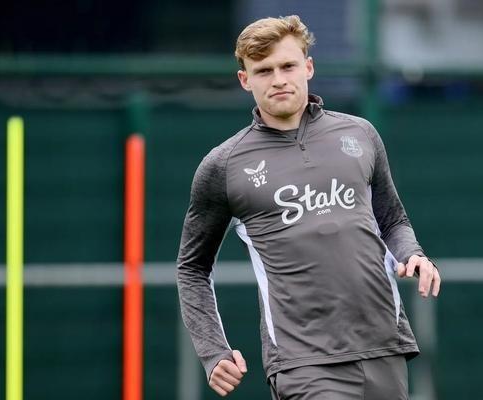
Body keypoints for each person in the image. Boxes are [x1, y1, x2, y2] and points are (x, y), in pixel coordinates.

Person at [177, 15, 441, 399]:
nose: (278, 79)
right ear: (245, 80)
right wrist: (212, 350)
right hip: (302, 363)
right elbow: (192, 268)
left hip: (385, 346)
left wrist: (412, 253)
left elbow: (392, 219)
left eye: (288, 66)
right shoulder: (223, 165)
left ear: (309, 67)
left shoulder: (360, 134)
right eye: (264, 70)